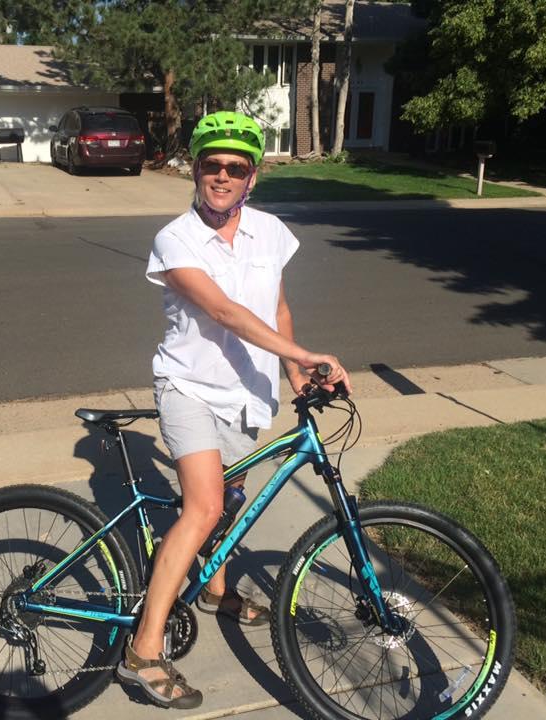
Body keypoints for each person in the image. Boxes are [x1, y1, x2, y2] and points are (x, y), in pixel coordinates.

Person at [115, 111, 351, 709]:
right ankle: (142, 652)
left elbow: (275, 308)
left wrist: (296, 374)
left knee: (234, 496)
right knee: (206, 505)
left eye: (235, 167)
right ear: (194, 169)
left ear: (253, 177)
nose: (221, 175)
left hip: (247, 392)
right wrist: (305, 354)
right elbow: (222, 311)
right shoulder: (175, 239)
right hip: (188, 387)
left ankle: (217, 592)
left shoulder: (271, 232)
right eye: (211, 165)